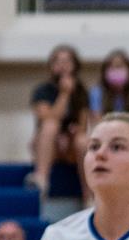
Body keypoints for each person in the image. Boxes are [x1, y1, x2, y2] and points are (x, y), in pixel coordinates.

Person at [28, 45, 88, 199]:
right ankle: (41, 180)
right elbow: (48, 118)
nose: (62, 65)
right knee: (51, 126)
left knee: (83, 140)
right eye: (58, 61)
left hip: (71, 146)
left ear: (75, 65)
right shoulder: (42, 90)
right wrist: (64, 94)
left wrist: (74, 132)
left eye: (67, 61)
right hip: (48, 145)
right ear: (51, 65)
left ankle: (89, 196)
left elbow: (83, 125)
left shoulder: (81, 91)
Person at [90, 50, 129, 118]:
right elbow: (97, 120)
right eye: (111, 67)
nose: (116, 71)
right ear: (105, 72)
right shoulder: (97, 92)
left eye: (119, 66)